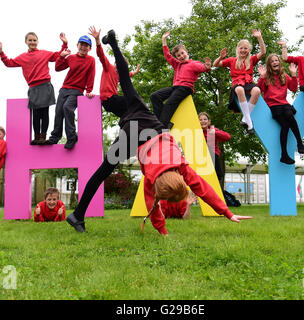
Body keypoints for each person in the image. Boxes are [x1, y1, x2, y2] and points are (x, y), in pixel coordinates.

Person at [66, 30, 252, 235]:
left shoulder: (178, 162)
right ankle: (77, 215)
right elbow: (199, 189)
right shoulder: (153, 177)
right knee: (107, 161)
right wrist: (226, 212)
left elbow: (201, 187)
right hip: (140, 132)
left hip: (136, 128)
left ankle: (78, 214)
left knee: (104, 170)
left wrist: (113, 44)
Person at [0, 32, 68, 145]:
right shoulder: (23, 57)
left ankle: (43, 136)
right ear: (26, 42)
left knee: (45, 113)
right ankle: (36, 136)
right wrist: (1, 52)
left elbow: (58, 55)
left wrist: (65, 43)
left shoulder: (44, 53)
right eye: (30, 40)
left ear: (37, 42)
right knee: (36, 114)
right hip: (33, 87)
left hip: (45, 85)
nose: (32, 42)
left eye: (34, 40)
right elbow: (9, 63)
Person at [150, 31, 212, 129]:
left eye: (182, 53)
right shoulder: (177, 64)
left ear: (186, 52)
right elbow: (168, 56)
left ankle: (161, 127)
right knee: (155, 96)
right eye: (178, 56)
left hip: (185, 88)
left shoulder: (194, 64)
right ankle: (163, 122)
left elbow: (203, 68)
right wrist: (164, 40)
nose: (181, 56)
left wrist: (207, 66)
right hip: (175, 87)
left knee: (169, 104)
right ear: (177, 58)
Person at [46, 34, 96, 149]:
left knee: (67, 108)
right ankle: (55, 137)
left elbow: (91, 76)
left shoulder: (91, 60)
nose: (83, 47)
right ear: (77, 45)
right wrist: (61, 57)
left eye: (86, 46)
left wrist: (89, 90)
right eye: (81, 44)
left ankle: (72, 137)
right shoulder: (71, 58)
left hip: (77, 90)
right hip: (64, 89)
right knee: (59, 111)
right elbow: (58, 68)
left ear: (90, 48)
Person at [213, 30, 266, 134]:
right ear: (237, 49)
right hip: (237, 83)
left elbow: (263, 52)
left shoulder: (251, 59)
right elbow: (215, 64)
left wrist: (259, 38)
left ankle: (245, 119)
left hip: (248, 82)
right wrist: (221, 57)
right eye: (241, 48)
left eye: (245, 48)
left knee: (257, 90)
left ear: (248, 50)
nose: (243, 50)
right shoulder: (232, 60)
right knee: (239, 89)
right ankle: (249, 123)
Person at [257, 54, 304, 165]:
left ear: (279, 63)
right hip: (273, 105)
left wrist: (293, 75)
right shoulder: (267, 77)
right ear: (269, 65)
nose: (274, 62)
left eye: (276, 60)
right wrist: (262, 77)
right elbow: (259, 89)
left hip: (284, 104)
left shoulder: (284, 75)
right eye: (272, 61)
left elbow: (293, 88)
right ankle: (284, 154)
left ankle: (299, 143)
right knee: (285, 125)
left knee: (289, 115)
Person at [88, 26, 140, 118]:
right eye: (118, 64)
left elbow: (128, 75)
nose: (118, 67)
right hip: (109, 99)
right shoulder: (108, 67)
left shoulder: (120, 75)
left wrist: (135, 72)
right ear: (115, 63)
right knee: (131, 100)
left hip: (111, 104)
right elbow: (101, 55)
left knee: (127, 115)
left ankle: (129, 128)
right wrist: (97, 40)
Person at [198, 112, 231, 184]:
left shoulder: (213, 130)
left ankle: (216, 179)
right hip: (201, 157)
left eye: (205, 119)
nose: (203, 121)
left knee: (218, 175)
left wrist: (215, 132)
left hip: (213, 155)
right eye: (200, 120)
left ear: (209, 121)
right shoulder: (197, 131)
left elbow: (228, 137)